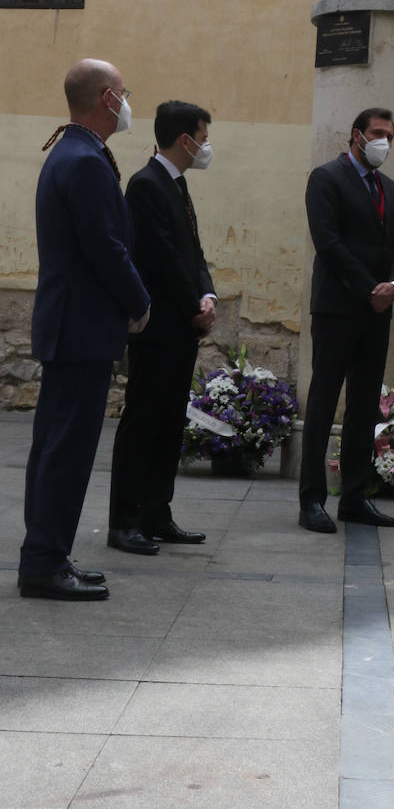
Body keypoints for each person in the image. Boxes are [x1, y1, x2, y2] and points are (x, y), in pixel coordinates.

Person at [19, 59, 150, 601]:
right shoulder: (86, 161)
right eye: (122, 92)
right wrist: (138, 300)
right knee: (66, 451)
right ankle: (45, 563)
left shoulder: (71, 152)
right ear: (104, 97)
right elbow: (106, 247)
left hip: (70, 326)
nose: (126, 101)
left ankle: (46, 555)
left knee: (54, 446)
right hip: (82, 328)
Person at [107, 101, 216, 555]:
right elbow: (161, 258)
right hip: (158, 326)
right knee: (143, 421)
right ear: (184, 139)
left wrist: (207, 294)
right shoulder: (146, 185)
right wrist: (194, 304)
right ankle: (125, 520)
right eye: (203, 138)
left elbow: (192, 250)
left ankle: (158, 512)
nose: (207, 146)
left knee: (170, 422)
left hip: (183, 325)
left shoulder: (177, 184)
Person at [298, 108, 394, 533]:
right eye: (378, 133)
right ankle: (312, 500)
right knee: (324, 404)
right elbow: (328, 242)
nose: (384, 142)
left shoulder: (389, 188)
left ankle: (355, 496)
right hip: (338, 308)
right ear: (356, 136)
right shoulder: (326, 178)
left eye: (390, 136)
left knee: (364, 406)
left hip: (377, 312)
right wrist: (369, 288)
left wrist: (393, 287)